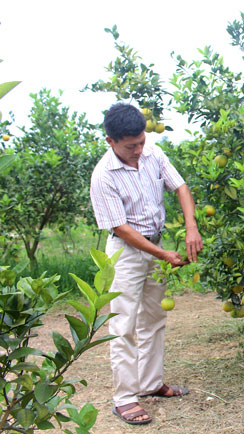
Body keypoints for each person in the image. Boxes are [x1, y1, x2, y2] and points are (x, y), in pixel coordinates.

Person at [90, 102, 203, 425]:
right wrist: (164, 255)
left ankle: (151, 383)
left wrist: (191, 226)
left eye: (140, 142)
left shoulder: (151, 152)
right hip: (126, 253)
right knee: (123, 323)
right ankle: (124, 398)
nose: (138, 150)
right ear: (111, 141)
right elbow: (120, 227)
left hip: (156, 245)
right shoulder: (103, 176)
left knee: (154, 317)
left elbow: (179, 185)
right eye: (130, 146)